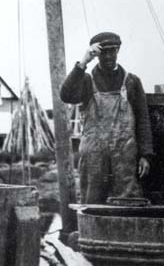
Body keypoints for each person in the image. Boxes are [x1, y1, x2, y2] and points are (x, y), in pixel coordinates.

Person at [60, 32, 153, 204]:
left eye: (113, 51)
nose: (109, 56)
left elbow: (143, 120)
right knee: (92, 204)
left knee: (127, 204)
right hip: (94, 157)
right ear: (96, 54)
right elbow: (66, 95)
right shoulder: (87, 81)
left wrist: (145, 155)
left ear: (118, 51)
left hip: (124, 156)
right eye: (104, 52)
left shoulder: (132, 82)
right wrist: (82, 63)